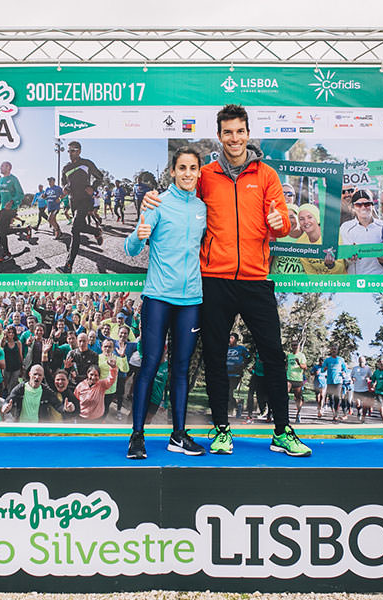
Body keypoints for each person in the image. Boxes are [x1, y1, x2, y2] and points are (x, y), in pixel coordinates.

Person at [143, 104, 311, 456]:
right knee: (215, 357)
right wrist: (150, 198)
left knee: (274, 356)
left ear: (248, 134)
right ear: (219, 136)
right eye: (227, 132)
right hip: (213, 280)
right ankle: (222, 430)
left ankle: (282, 432)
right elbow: (179, 197)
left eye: (240, 131)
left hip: (256, 279)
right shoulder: (204, 174)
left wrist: (280, 224)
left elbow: (280, 226)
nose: (234, 138)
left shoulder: (266, 175)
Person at [122, 147, 207, 458]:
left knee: (181, 369)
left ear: (199, 172)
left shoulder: (202, 208)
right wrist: (138, 234)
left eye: (192, 168)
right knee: (149, 365)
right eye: (181, 167)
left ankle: (179, 435)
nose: (187, 173)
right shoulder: (157, 203)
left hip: (191, 301)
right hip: (158, 297)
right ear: (173, 171)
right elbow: (132, 249)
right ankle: (137, 436)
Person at [59, 141, 104, 273]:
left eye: (73, 150)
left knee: (74, 229)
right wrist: (65, 188)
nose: (70, 153)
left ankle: (68, 266)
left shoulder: (87, 163)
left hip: (85, 199)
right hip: (73, 201)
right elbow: (64, 183)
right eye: (69, 151)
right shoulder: (65, 168)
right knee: (79, 228)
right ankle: (96, 232)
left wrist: (93, 187)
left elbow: (100, 177)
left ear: (79, 151)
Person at [335, 189, 383, 275]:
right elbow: (343, 259)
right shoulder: (345, 227)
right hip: (358, 281)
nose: (363, 207)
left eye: (367, 204)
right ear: (353, 207)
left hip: (381, 279)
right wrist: (348, 257)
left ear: (372, 205)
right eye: (358, 205)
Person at [8, 364, 76, 423]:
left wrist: (66, 408)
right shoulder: (20, 388)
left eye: (40, 375)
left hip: (38, 430)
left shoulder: (46, 391)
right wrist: (6, 407)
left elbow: (58, 405)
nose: (37, 377)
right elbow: (8, 401)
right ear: (29, 374)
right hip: (21, 428)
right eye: (35, 374)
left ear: (43, 376)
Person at [0, 161, 28, 262]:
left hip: (11, 209)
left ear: (8, 168)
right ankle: (24, 229)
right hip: (3, 209)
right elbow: (1, 195)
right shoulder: (2, 179)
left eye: (3, 166)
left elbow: (20, 194)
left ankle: (6, 254)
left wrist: (12, 202)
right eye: (1, 166)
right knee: (1, 230)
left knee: (0, 229)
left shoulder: (13, 179)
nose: (1, 167)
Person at [226, 333, 250, 418]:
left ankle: (238, 407)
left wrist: (243, 365)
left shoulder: (241, 348)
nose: (229, 339)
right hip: (226, 373)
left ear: (236, 339)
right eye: (229, 338)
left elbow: (248, 357)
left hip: (236, 374)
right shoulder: (226, 348)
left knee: (231, 392)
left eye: (231, 338)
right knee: (226, 393)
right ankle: (233, 408)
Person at [321, 345, 348, 423]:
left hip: (338, 381)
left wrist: (344, 373)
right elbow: (322, 370)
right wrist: (324, 369)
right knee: (331, 398)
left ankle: (336, 414)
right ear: (330, 350)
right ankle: (334, 413)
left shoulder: (341, 359)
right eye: (332, 349)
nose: (334, 350)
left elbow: (345, 369)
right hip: (330, 382)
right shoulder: (327, 360)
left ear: (337, 350)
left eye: (335, 349)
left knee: (337, 398)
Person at [286, 342, 307, 423]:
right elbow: (287, 365)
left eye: (296, 345)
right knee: (284, 395)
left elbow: (305, 367)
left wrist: (299, 363)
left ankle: (298, 414)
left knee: (298, 398)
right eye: (293, 345)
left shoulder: (301, 355)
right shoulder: (289, 355)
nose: (294, 346)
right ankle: (284, 414)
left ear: (298, 346)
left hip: (298, 379)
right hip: (289, 378)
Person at [0, 325, 24, 397]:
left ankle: (11, 399)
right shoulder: (5, 343)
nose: (11, 334)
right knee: (6, 384)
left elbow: (20, 355)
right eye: (9, 332)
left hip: (16, 367)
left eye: (12, 333)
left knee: (13, 385)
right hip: (6, 367)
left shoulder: (18, 343)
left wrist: (21, 367)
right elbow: (1, 344)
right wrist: (4, 336)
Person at [350, 355, 374, 423]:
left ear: (365, 361)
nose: (361, 363)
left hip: (365, 389)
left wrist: (369, 379)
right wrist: (353, 379)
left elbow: (371, 377)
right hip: (357, 389)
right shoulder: (355, 368)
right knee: (358, 404)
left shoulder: (368, 369)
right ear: (358, 361)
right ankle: (359, 412)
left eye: (362, 361)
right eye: (360, 361)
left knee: (365, 405)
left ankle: (363, 417)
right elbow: (351, 376)